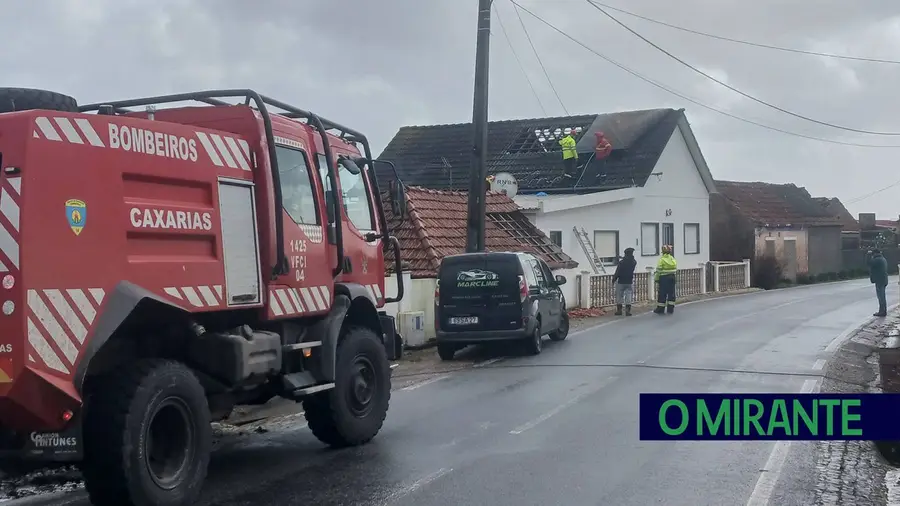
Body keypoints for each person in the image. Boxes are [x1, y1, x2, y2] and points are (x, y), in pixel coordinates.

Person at [612, 247, 637, 316]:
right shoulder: (634, 262)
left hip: (621, 281)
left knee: (619, 295)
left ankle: (619, 311)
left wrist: (614, 279)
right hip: (629, 281)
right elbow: (630, 261)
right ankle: (627, 310)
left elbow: (618, 271)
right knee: (628, 295)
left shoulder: (622, 262)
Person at [653, 245, 677, 314]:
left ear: (662, 252)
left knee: (662, 293)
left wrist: (656, 279)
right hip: (672, 277)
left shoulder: (662, 260)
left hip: (664, 278)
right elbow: (675, 268)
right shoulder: (672, 259)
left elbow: (658, 270)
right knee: (671, 293)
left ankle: (660, 309)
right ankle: (670, 309)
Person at [869, 248, 889, 317]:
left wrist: (868, 255)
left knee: (881, 297)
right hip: (883, 280)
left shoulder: (877, 260)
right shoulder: (882, 258)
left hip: (879, 280)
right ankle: (883, 311)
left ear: (875, 253)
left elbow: (869, 263)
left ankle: (882, 311)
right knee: (882, 296)